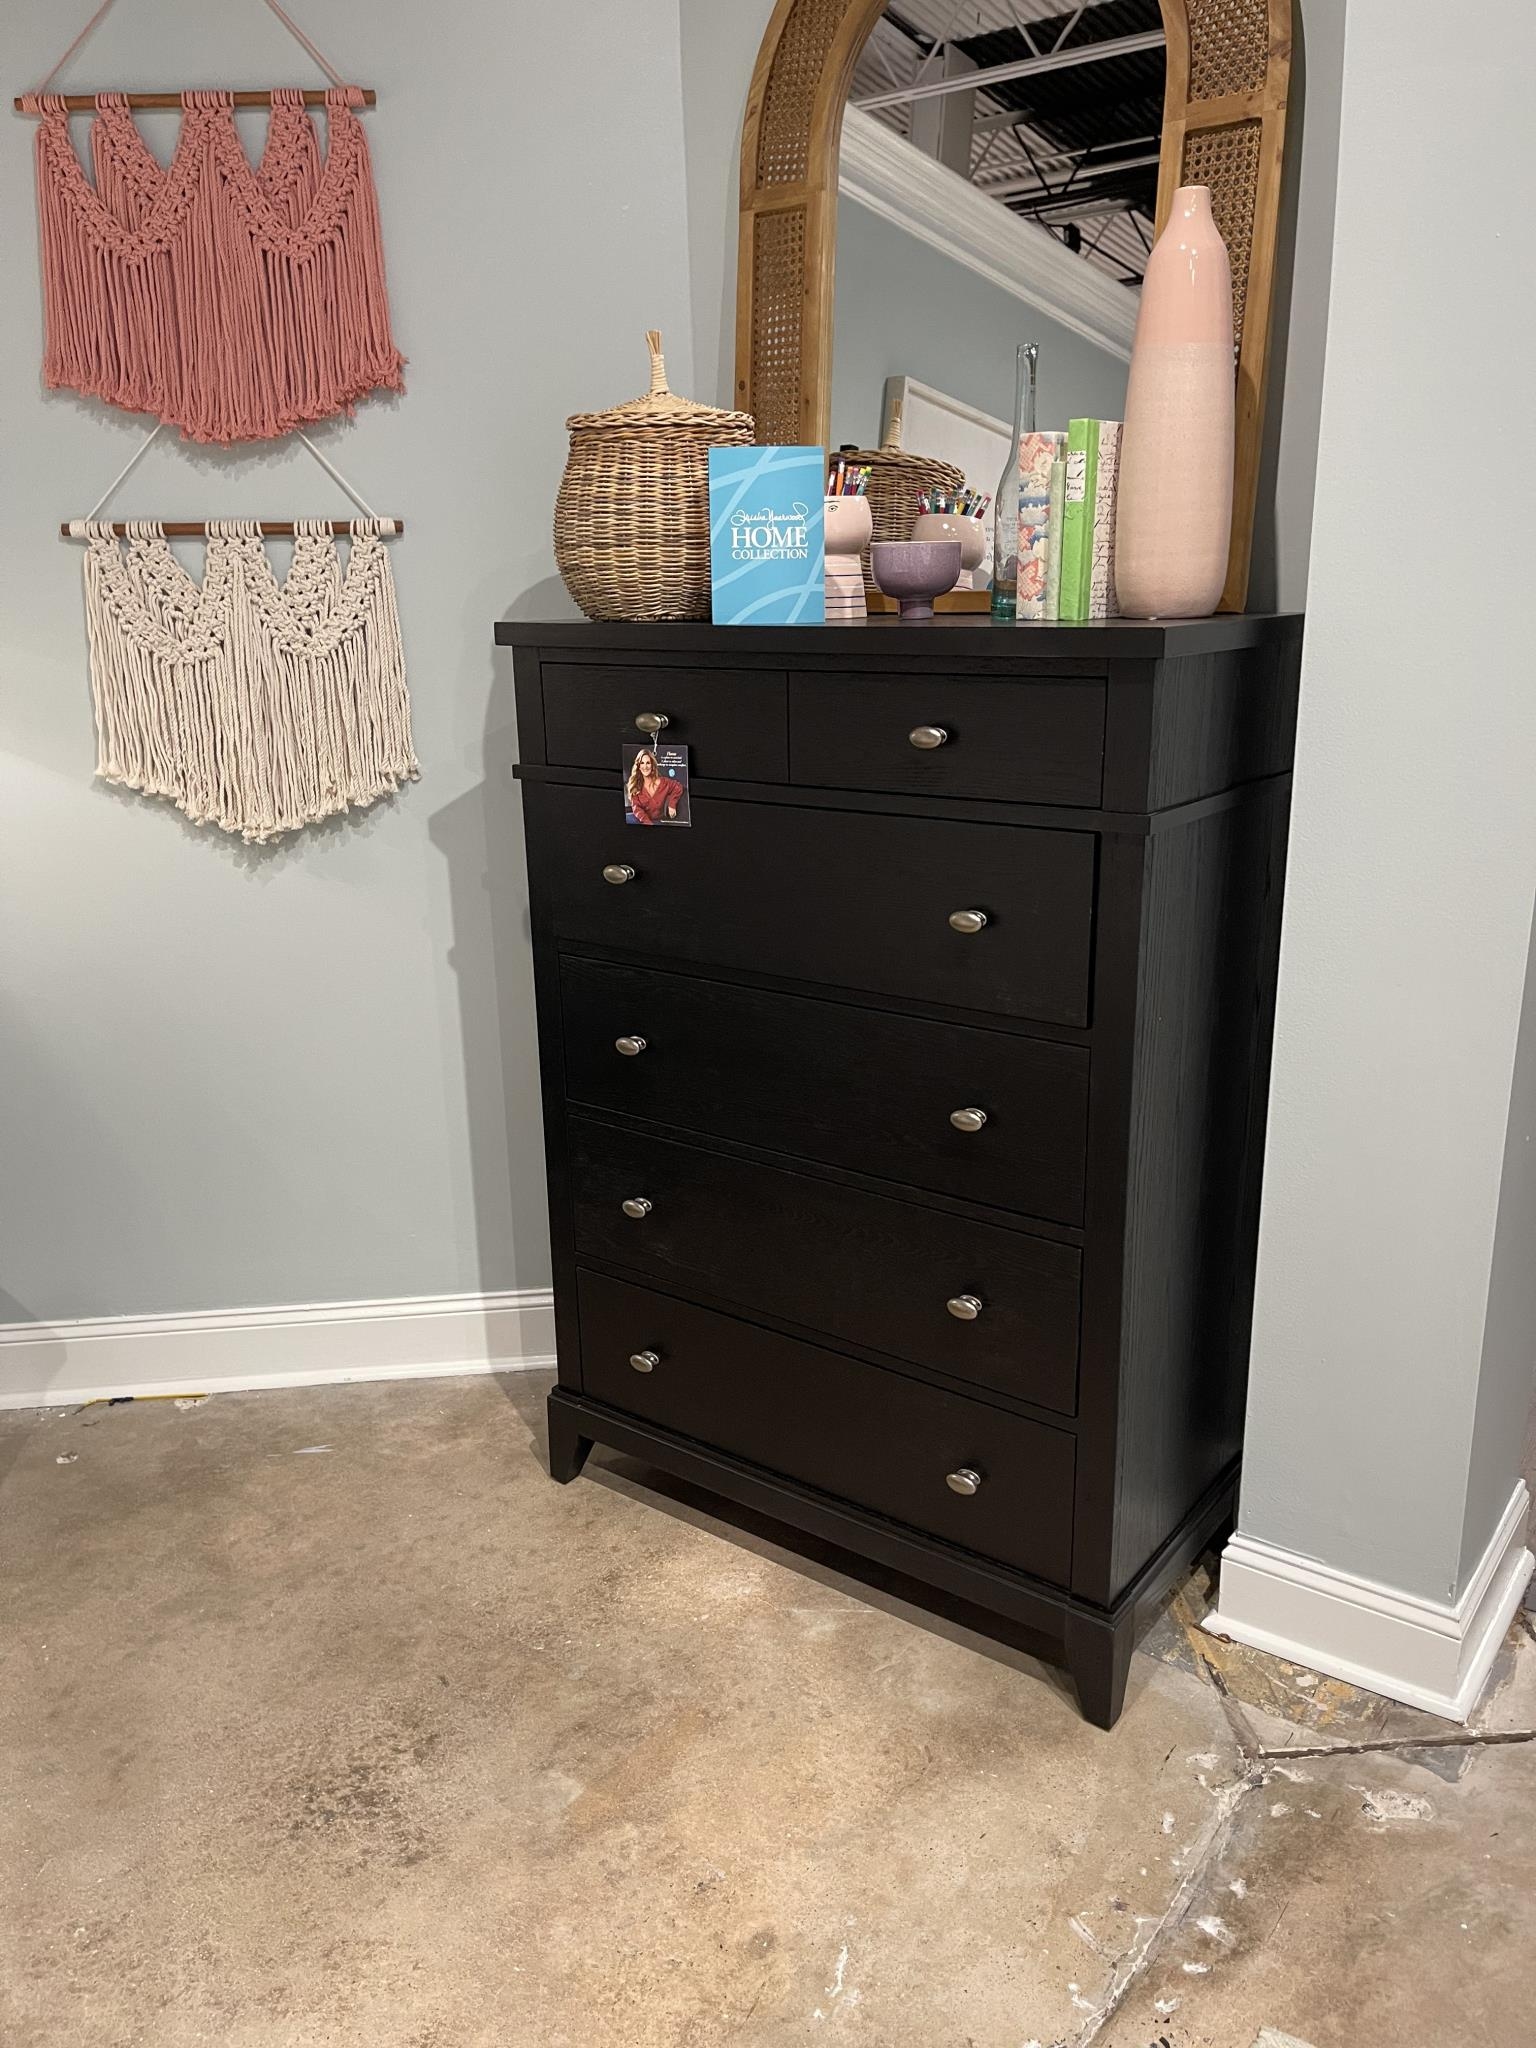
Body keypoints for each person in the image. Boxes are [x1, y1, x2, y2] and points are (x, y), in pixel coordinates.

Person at [625, 747, 686, 825]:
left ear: (652, 765)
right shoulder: (635, 786)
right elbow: (637, 809)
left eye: (648, 763)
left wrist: (672, 804)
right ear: (639, 766)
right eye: (642, 763)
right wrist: (648, 823)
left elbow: (678, 787)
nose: (645, 766)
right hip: (641, 819)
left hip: (658, 821)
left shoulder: (663, 782)